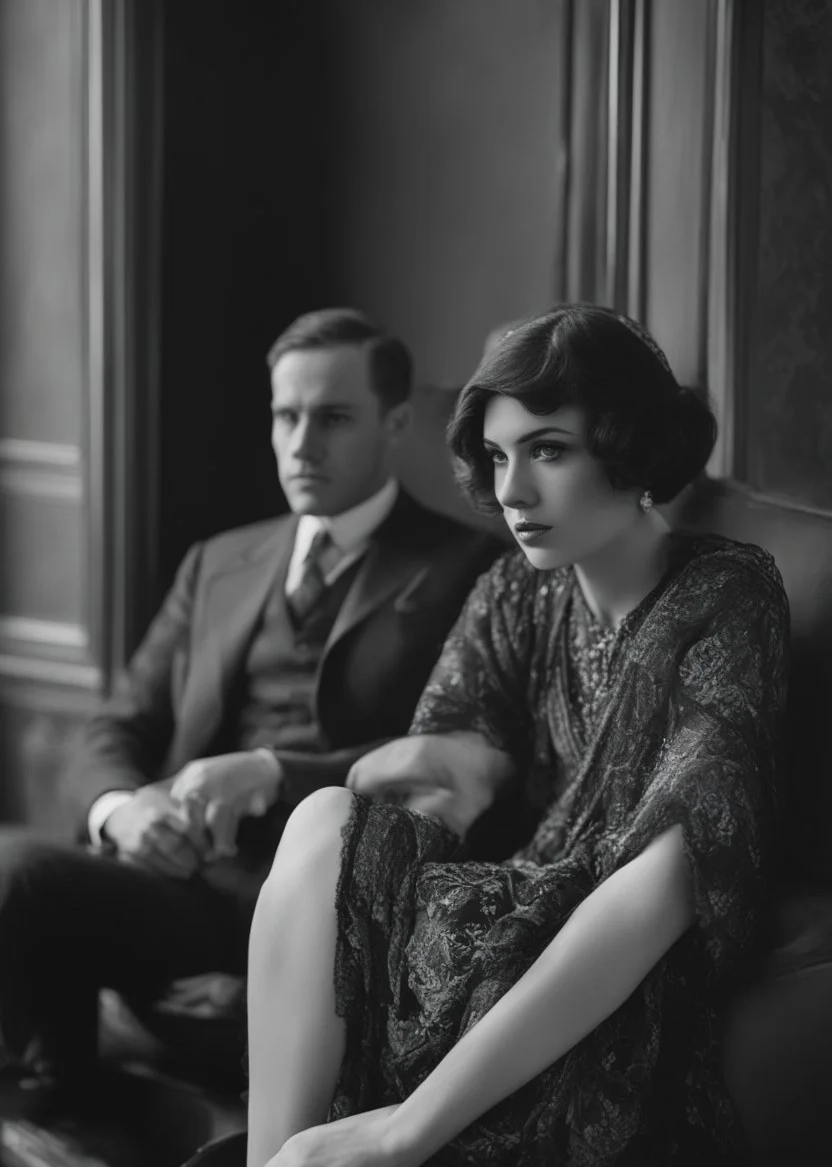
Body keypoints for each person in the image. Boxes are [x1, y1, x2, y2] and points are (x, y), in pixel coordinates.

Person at [228, 304, 789, 1167]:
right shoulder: (516, 594)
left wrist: (402, 1129)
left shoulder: (725, 596)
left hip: (613, 977)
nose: (512, 493)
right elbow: (448, 771)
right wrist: (402, 786)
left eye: (549, 451)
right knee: (323, 819)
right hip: (505, 911)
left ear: (627, 447)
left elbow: (668, 884)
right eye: (497, 456)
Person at [0, 308, 505, 1107]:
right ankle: (58, 1095)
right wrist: (121, 813)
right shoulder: (220, 560)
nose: (302, 443)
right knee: (15, 871)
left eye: (333, 418)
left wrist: (274, 773)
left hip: (326, 892)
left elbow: (446, 755)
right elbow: (115, 724)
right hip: (187, 885)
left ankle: (65, 1085)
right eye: (285, 416)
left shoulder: (470, 567)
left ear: (397, 422)